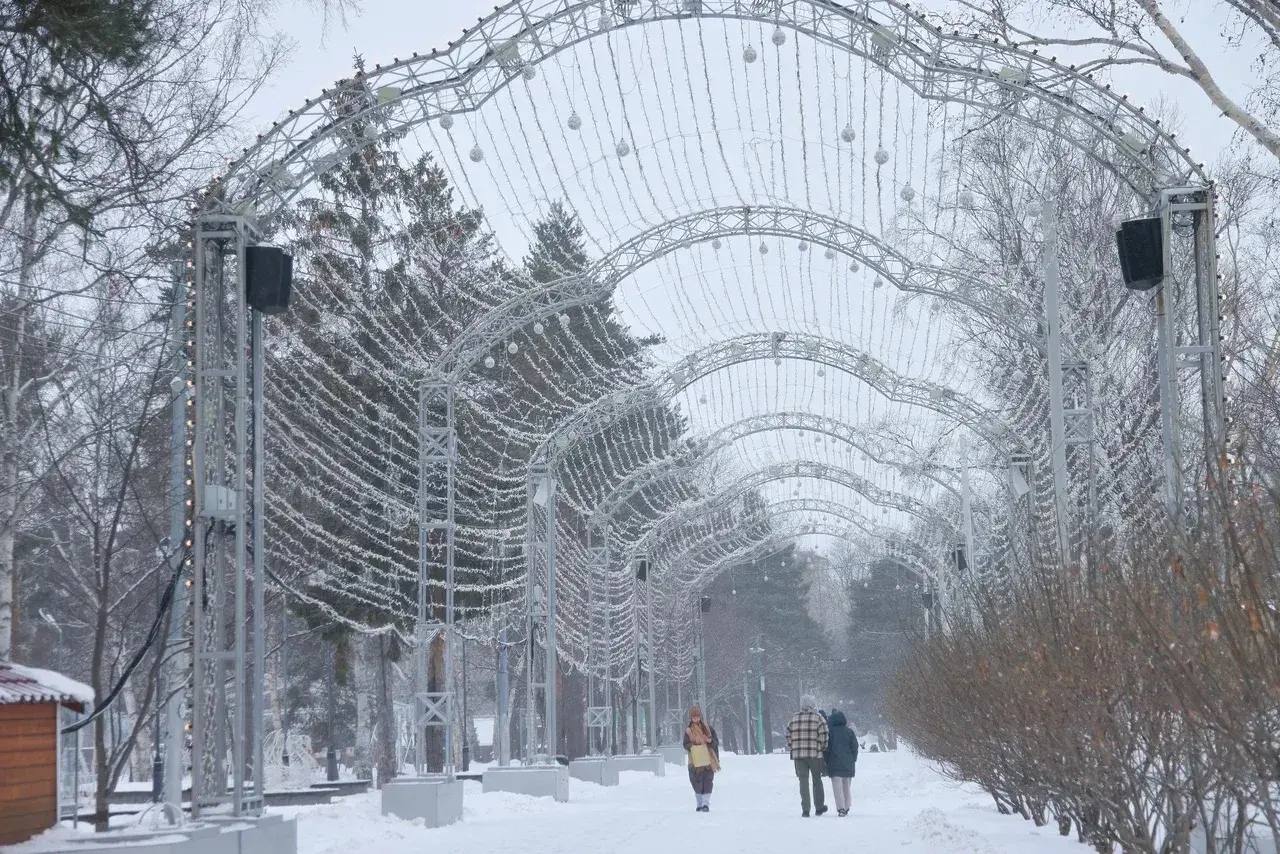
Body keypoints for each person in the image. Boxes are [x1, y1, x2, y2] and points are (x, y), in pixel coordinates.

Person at [785, 695, 829, 817]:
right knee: (817, 780)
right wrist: (822, 747)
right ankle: (819, 807)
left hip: (799, 756)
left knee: (803, 782)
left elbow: (788, 734)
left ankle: (805, 809)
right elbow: (824, 734)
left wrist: (793, 746)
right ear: (812, 704)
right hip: (815, 754)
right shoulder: (818, 718)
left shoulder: (794, 718)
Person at [682, 705, 720, 813]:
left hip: (708, 759)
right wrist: (693, 746)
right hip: (694, 760)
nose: (696, 719)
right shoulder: (689, 731)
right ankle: (699, 803)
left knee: (708, 781)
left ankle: (705, 804)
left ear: (700, 716)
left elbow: (715, 742)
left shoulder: (708, 729)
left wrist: (709, 741)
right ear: (691, 718)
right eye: (694, 717)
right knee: (696, 782)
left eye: (697, 716)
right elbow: (685, 744)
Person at [822, 709, 859, 817]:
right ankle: (847, 806)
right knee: (846, 786)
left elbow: (827, 749)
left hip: (834, 763)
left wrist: (827, 761)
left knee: (837, 788)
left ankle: (841, 808)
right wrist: (853, 759)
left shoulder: (830, 733)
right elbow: (854, 747)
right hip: (848, 763)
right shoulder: (849, 732)